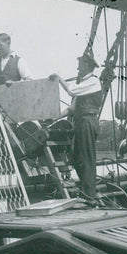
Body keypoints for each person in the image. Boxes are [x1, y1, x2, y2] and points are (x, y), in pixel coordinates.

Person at [49, 53, 103, 200]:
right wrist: (53, 117)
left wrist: (59, 78)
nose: (78, 68)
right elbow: (72, 109)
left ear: (86, 66)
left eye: (80, 65)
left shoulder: (93, 82)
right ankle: (86, 191)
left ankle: (89, 195)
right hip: (80, 123)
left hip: (88, 122)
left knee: (86, 159)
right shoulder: (83, 85)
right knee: (78, 158)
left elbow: (71, 90)